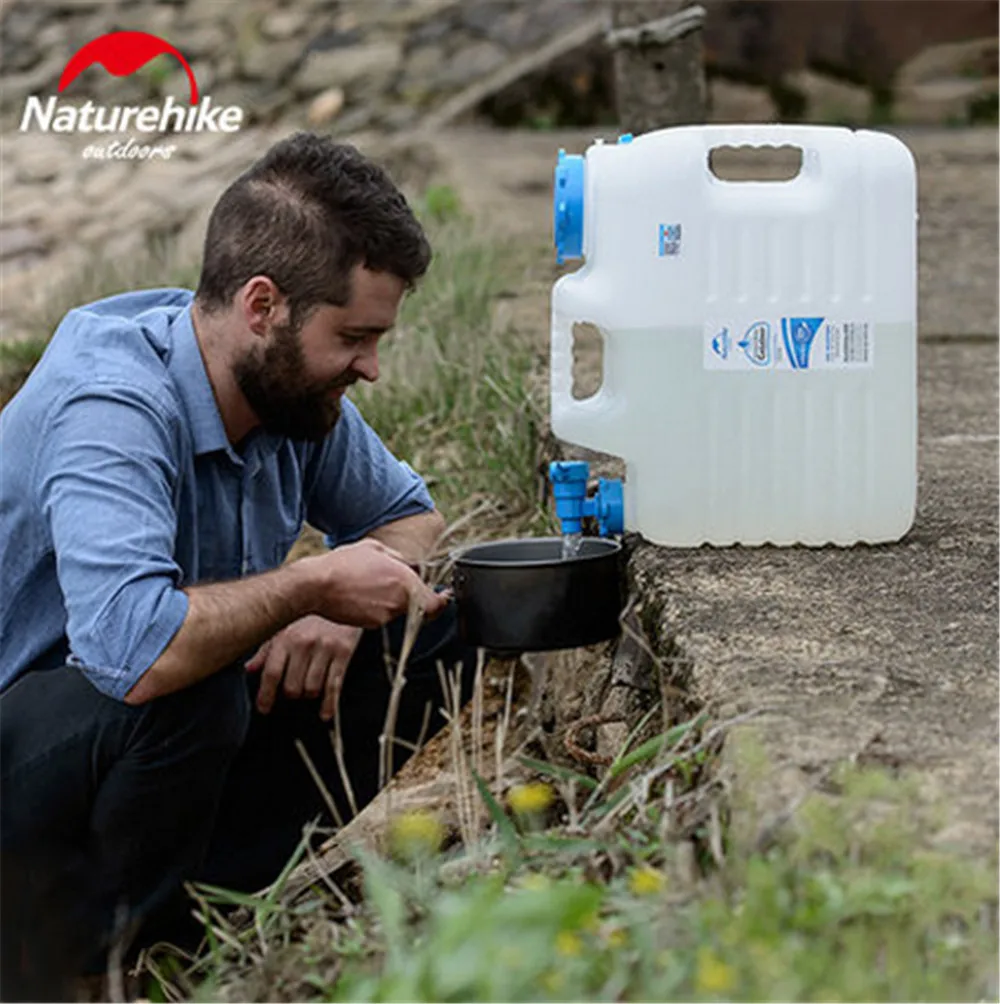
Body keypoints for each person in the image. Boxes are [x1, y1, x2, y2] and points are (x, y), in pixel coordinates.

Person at [0, 131, 478, 999]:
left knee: (438, 628)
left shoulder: (290, 394)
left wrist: (335, 605)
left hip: (135, 756)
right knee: (189, 690)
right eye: (354, 337)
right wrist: (310, 584)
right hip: (27, 755)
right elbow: (135, 653)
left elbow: (410, 517)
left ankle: (193, 918)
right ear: (264, 306)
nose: (371, 368)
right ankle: (72, 968)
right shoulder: (113, 404)